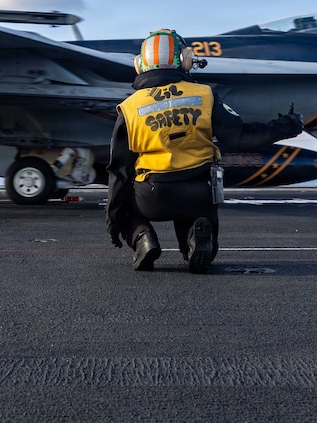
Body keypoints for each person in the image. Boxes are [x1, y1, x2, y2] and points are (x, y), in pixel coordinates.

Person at [106, 29, 304, 274]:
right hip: (199, 190)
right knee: (196, 218)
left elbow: (120, 171)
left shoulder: (129, 108)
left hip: (153, 195)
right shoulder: (205, 95)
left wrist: (115, 219)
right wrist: (288, 125)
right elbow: (242, 137)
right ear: (186, 59)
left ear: (140, 64)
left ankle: (143, 239)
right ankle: (194, 244)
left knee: (126, 205)